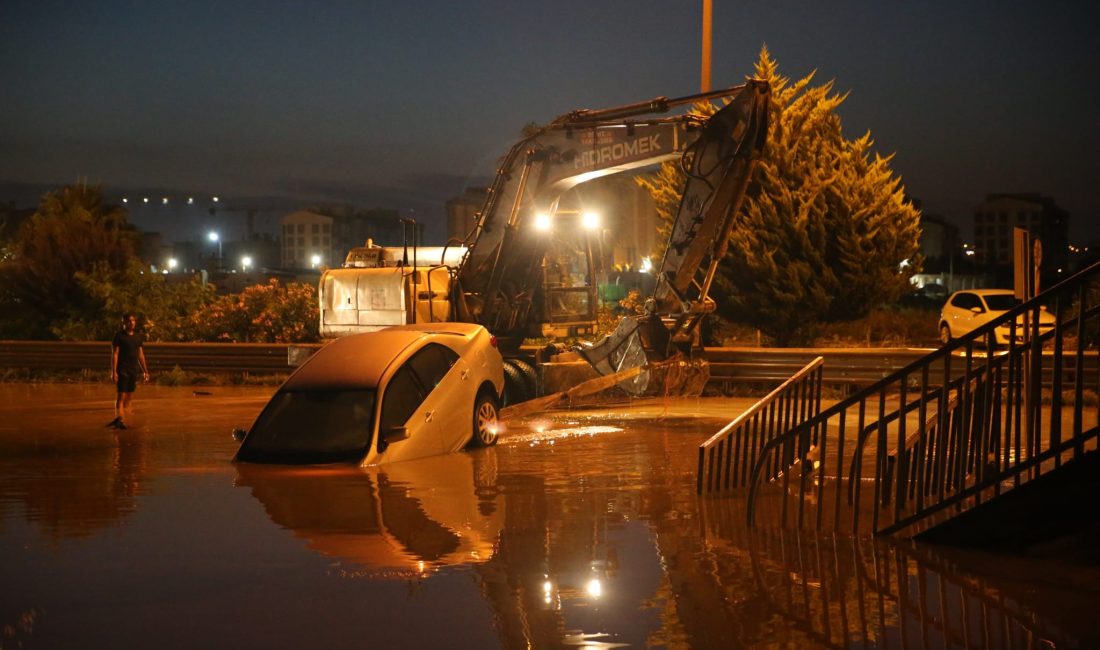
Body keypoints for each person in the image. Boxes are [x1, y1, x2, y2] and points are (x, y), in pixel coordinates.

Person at [107, 313, 149, 429]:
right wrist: (114, 371)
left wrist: (145, 371)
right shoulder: (119, 336)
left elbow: (141, 355)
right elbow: (115, 354)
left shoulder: (138, 337)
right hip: (122, 369)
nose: (132, 323)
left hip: (133, 369)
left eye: (133, 321)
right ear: (124, 323)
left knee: (129, 396)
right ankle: (119, 419)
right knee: (121, 396)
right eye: (129, 321)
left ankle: (127, 419)